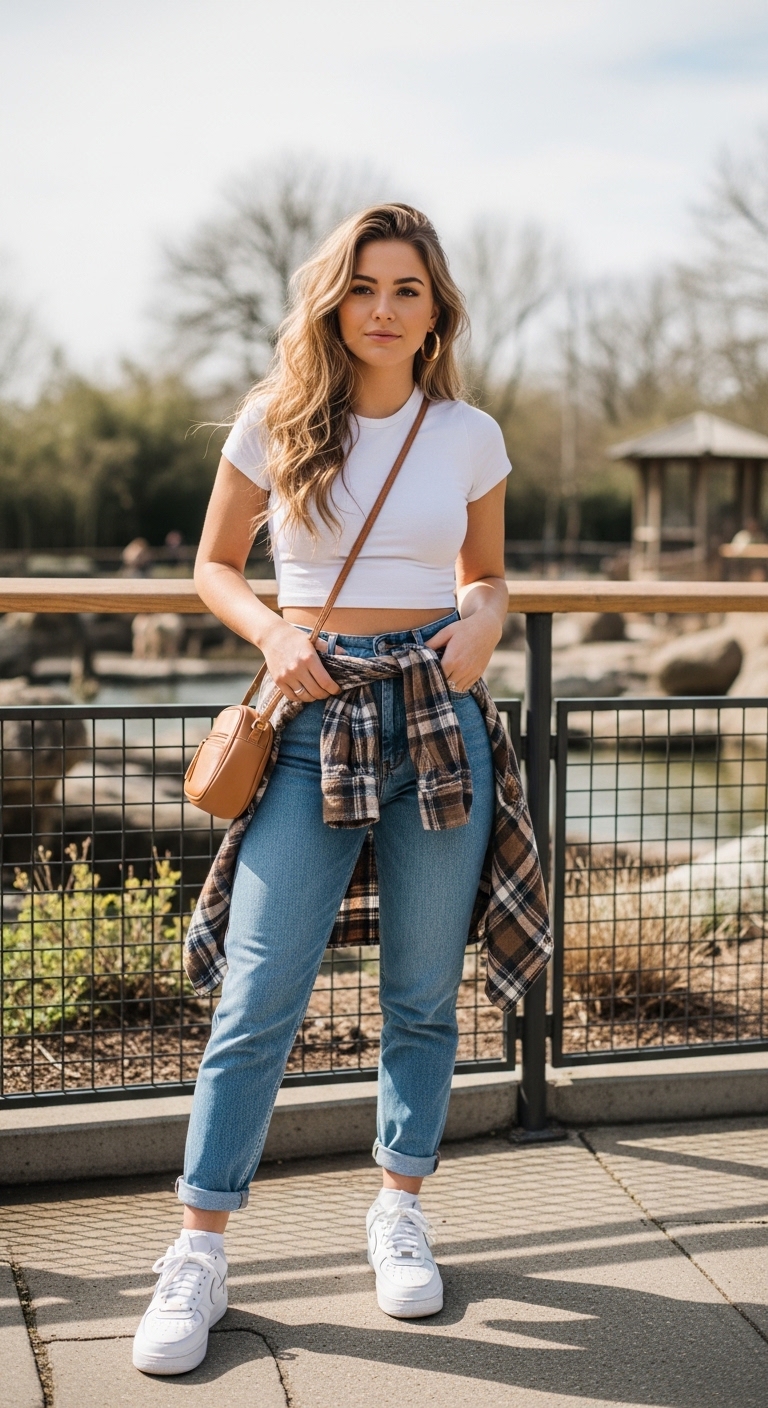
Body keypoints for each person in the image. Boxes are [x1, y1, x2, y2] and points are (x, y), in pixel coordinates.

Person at [133, 203, 542, 1377]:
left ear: (435, 309)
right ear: (334, 300)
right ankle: (200, 1246)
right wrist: (274, 633)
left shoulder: (469, 432)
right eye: (364, 285)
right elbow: (213, 564)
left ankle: (400, 1205)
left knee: (421, 992)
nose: (382, 307)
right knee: (260, 994)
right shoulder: (276, 423)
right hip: (311, 722)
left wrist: (486, 623)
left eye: (406, 288)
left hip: (435, 718)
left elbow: (489, 575)